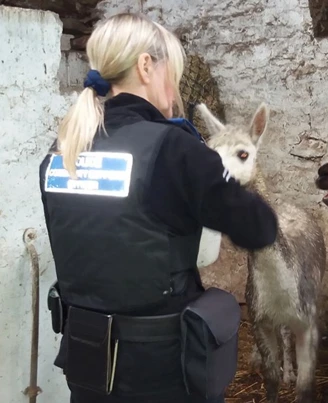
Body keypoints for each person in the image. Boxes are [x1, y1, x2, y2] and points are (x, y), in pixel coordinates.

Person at [38, 13, 278, 403]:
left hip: (85, 363)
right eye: (172, 68)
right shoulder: (174, 148)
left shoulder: (62, 149)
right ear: (146, 66)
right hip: (159, 371)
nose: (175, 85)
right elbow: (260, 228)